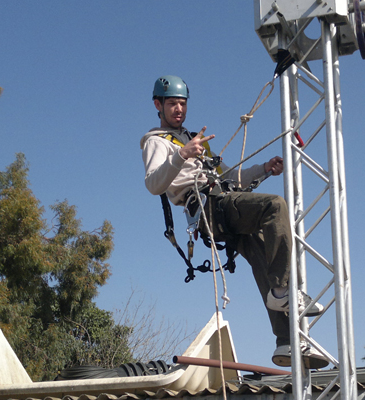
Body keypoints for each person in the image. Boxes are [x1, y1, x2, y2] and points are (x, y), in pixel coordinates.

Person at [140, 75, 328, 368]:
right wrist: (181, 155)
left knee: (265, 256)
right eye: (172, 104)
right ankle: (282, 290)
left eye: (182, 104)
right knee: (274, 207)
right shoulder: (157, 142)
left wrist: (264, 170)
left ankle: (286, 342)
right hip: (208, 207)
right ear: (158, 105)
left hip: (222, 204)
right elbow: (153, 184)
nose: (178, 109)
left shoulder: (193, 140)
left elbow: (229, 177)